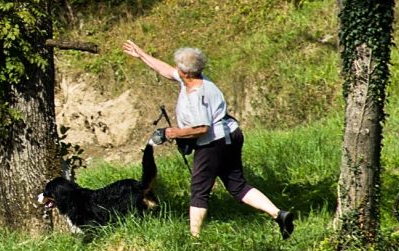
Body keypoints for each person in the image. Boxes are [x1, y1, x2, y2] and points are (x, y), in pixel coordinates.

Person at [121, 40, 295, 239]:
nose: (176, 69)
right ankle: (278, 214)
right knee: (237, 185)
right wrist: (141, 54)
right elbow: (167, 71)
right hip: (231, 134)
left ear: (186, 72)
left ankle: (194, 240)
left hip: (214, 143)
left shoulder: (197, 94)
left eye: (179, 66)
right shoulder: (195, 78)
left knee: (198, 190)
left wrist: (171, 133)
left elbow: (202, 128)